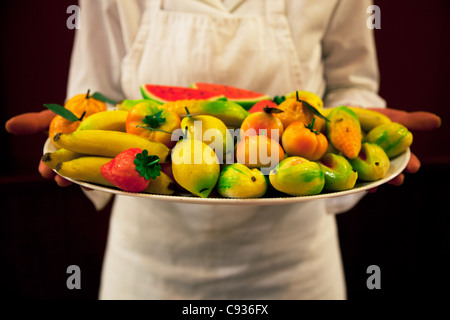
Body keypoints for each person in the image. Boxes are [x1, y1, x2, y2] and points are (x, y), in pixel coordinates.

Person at [5, 0, 441, 300]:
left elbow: (352, 81)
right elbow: (96, 91)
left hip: (293, 260)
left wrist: (365, 130)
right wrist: (80, 132)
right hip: (150, 258)